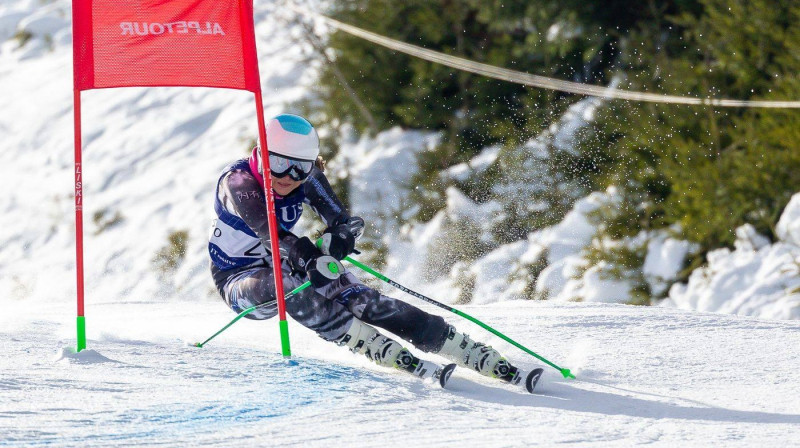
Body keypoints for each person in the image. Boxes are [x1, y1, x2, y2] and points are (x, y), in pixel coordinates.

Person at [208, 113, 541, 392]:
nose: (287, 177)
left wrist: (340, 238)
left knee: (351, 290)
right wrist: (307, 255)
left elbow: (343, 220)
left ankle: (452, 342)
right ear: (260, 155)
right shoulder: (239, 183)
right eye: (277, 163)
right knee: (288, 284)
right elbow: (269, 231)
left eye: (299, 169)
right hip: (240, 281)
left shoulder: (305, 178)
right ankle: (363, 340)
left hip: (289, 259)